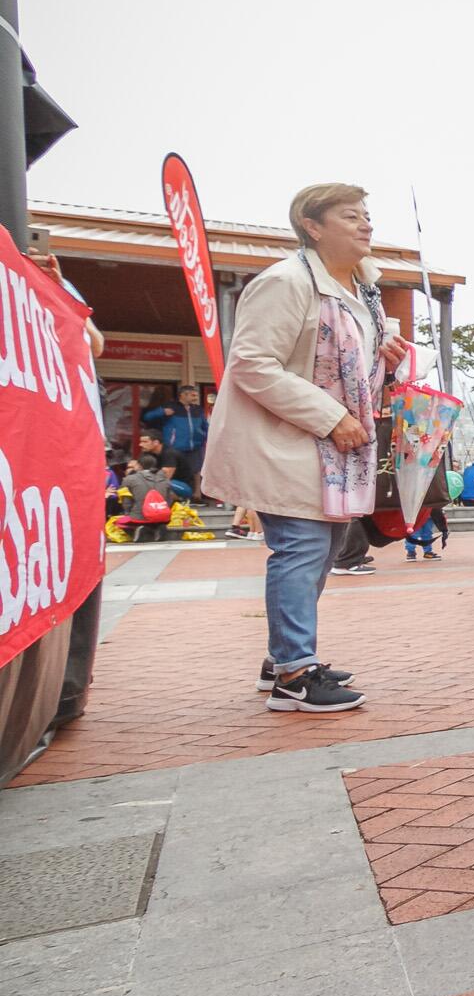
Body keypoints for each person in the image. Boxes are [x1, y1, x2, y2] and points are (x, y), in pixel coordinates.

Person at [203, 182, 410, 713]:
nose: (366, 225)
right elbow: (252, 363)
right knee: (300, 551)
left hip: (336, 451)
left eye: (367, 215)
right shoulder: (286, 282)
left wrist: (384, 352)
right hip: (290, 443)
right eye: (350, 216)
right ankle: (294, 674)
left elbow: (350, 364)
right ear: (312, 226)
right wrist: (331, 415)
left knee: (320, 552)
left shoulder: (363, 290)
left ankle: (284, 657)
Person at [143, 384, 209, 501]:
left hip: (195, 445)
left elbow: (205, 426)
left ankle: (197, 494)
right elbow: (147, 417)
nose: (195, 397)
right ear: (183, 395)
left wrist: (205, 437)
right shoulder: (170, 407)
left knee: (196, 470)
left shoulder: (197, 409)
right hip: (175, 446)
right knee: (174, 470)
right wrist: (162, 412)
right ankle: (172, 495)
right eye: (192, 395)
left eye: (196, 395)